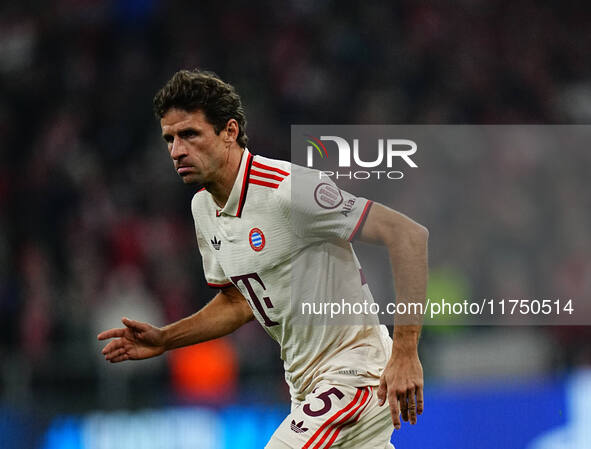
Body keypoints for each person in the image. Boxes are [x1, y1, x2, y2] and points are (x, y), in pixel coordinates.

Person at [98, 69, 428, 448]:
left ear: (230, 132)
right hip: (306, 389)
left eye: (189, 134)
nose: (176, 150)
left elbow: (407, 235)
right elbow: (240, 301)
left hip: (356, 376)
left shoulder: (290, 191)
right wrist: (166, 338)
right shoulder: (204, 209)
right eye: (169, 139)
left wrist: (405, 352)